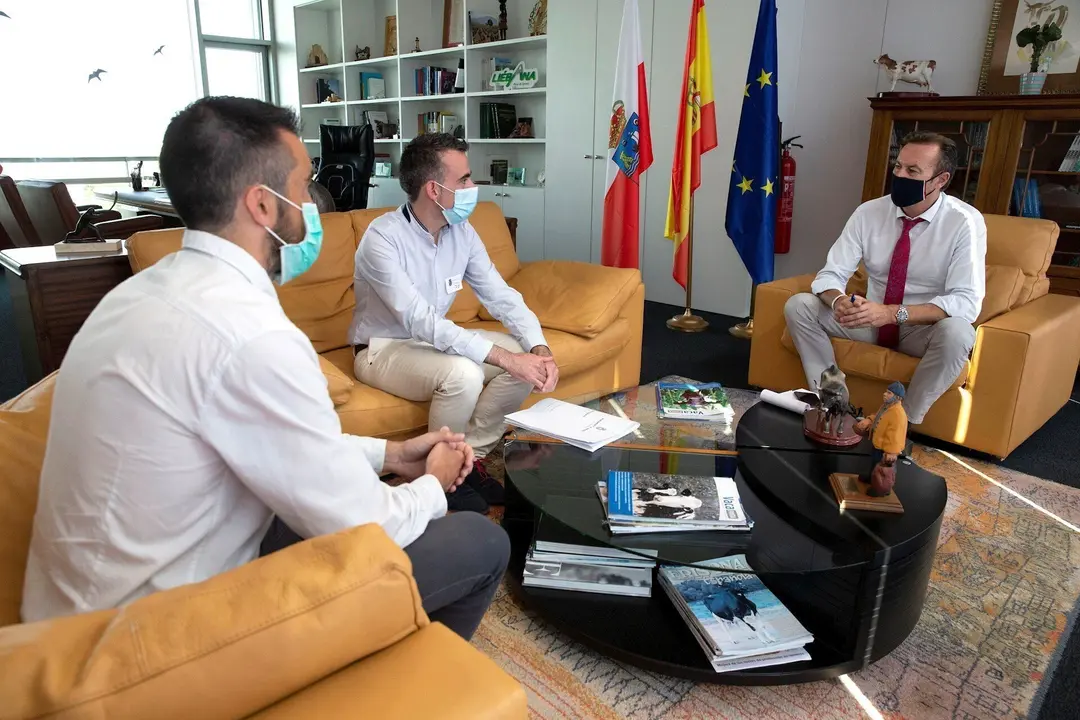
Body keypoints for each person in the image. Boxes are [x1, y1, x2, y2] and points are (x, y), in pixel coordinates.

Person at [21, 97, 509, 641]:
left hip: (77, 613)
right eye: (303, 188)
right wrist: (437, 485)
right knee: (481, 542)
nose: (312, 204)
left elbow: (283, 447)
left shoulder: (135, 296)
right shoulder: (253, 335)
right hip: (146, 640)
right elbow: (370, 523)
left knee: (297, 512)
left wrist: (390, 454)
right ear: (261, 204)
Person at [349, 133, 559, 514]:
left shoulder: (462, 232)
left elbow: (500, 295)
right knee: (465, 373)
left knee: (525, 359)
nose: (472, 187)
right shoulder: (382, 238)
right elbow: (420, 321)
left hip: (430, 346)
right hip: (382, 349)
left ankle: (468, 462)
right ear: (434, 189)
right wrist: (504, 358)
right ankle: (439, 480)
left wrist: (538, 348)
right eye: (463, 179)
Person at [784, 131, 986, 427]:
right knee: (799, 305)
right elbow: (830, 274)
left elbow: (966, 302)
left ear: (941, 180)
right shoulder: (868, 213)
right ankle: (833, 402)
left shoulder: (964, 222)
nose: (900, 175)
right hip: (870, 322)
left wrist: (891, 313)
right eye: (898, 166)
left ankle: (899, 422)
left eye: (913, 171)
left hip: (921, 330)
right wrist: (838, 300)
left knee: (959, 333)